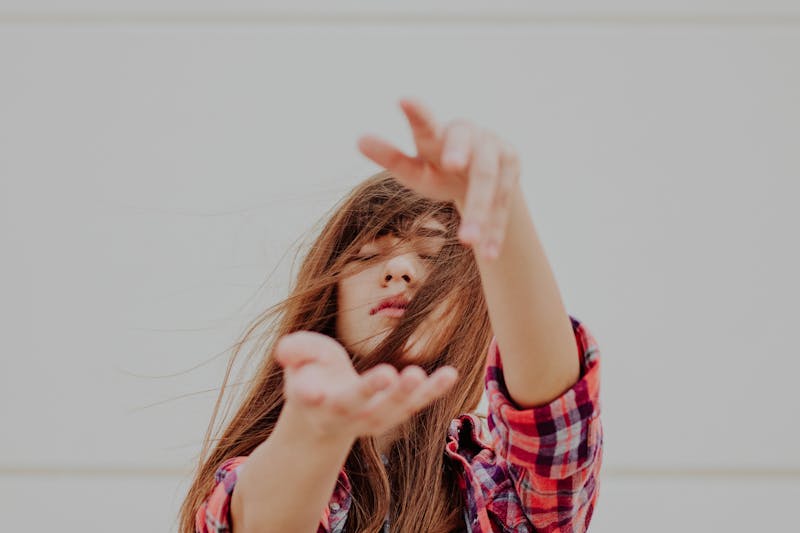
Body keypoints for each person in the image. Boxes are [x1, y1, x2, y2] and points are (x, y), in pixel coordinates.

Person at [179, 99, 603, 533]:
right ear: (330, 301)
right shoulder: (271, 471)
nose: (399, 269)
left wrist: (499, 204)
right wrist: (316, 432)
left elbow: (555, 418)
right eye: (369, 254)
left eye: (430, 255)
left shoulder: (498, 495)